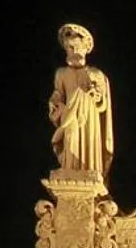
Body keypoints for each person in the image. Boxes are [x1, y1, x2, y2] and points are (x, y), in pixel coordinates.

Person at [48, 24, 113, 182]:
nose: (73, 51)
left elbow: (103, 104)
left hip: (89, 119)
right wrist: (56, 104)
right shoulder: (61, 73)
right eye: (69, 47)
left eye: (76, 47)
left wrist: (96, 96)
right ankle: (70, 169)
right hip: (70, 115)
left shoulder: (96, 74)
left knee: (89, 146)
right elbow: (58, 94)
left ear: (85, 48)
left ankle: (90, 170)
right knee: (71, 140)